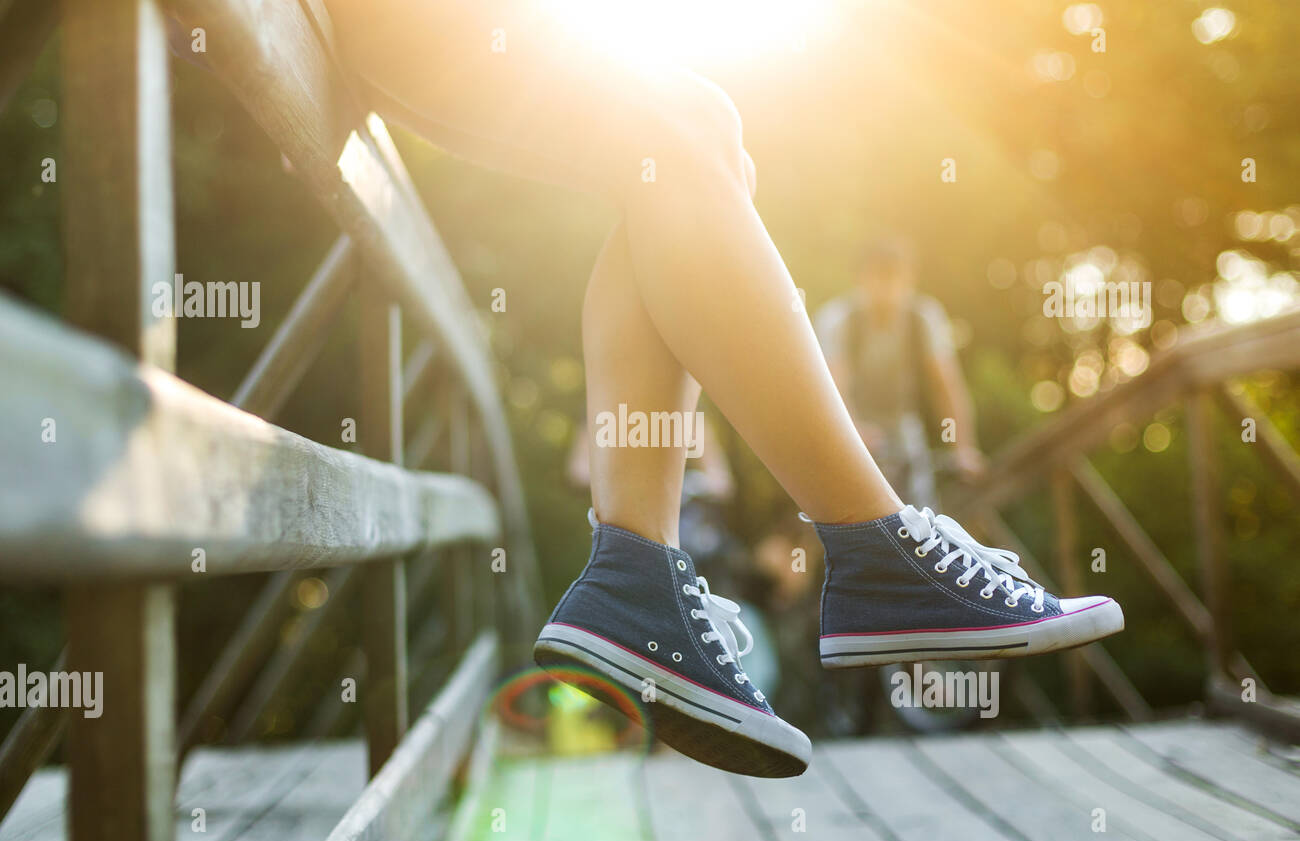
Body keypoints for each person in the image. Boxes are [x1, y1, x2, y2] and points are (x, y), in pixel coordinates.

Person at [325, 0, 1124, 778]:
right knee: (684, 130)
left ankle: (636, 572)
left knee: (703, 143)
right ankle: (876, 548)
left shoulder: (918, 325)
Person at [815, 238, 985, 506]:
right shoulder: (838, 320)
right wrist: (854, 430)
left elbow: (947, 386)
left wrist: (963, 448)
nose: (887, 289)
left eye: (895, 278)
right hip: (849, 428)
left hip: (904, 430)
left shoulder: (923, 318)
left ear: (910, 279)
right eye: (879, 277)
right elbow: (835, 386)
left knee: (919, 512)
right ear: (861, 278)